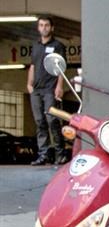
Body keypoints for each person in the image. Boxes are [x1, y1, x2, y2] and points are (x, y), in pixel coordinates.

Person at [26, 15, 68, 165]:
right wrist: (29, 84)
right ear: (38, 28)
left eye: (46, 25)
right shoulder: (36, 46)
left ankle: (60, 154)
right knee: (39, 122)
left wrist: (59, 86)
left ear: (52, 28)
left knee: (52, 120)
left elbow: (61, 68)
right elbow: (32, 66)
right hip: (36, 90)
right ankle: (43, 155)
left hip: (50, 89)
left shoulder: (58, 46)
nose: (44, 28)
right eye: (41, 25)